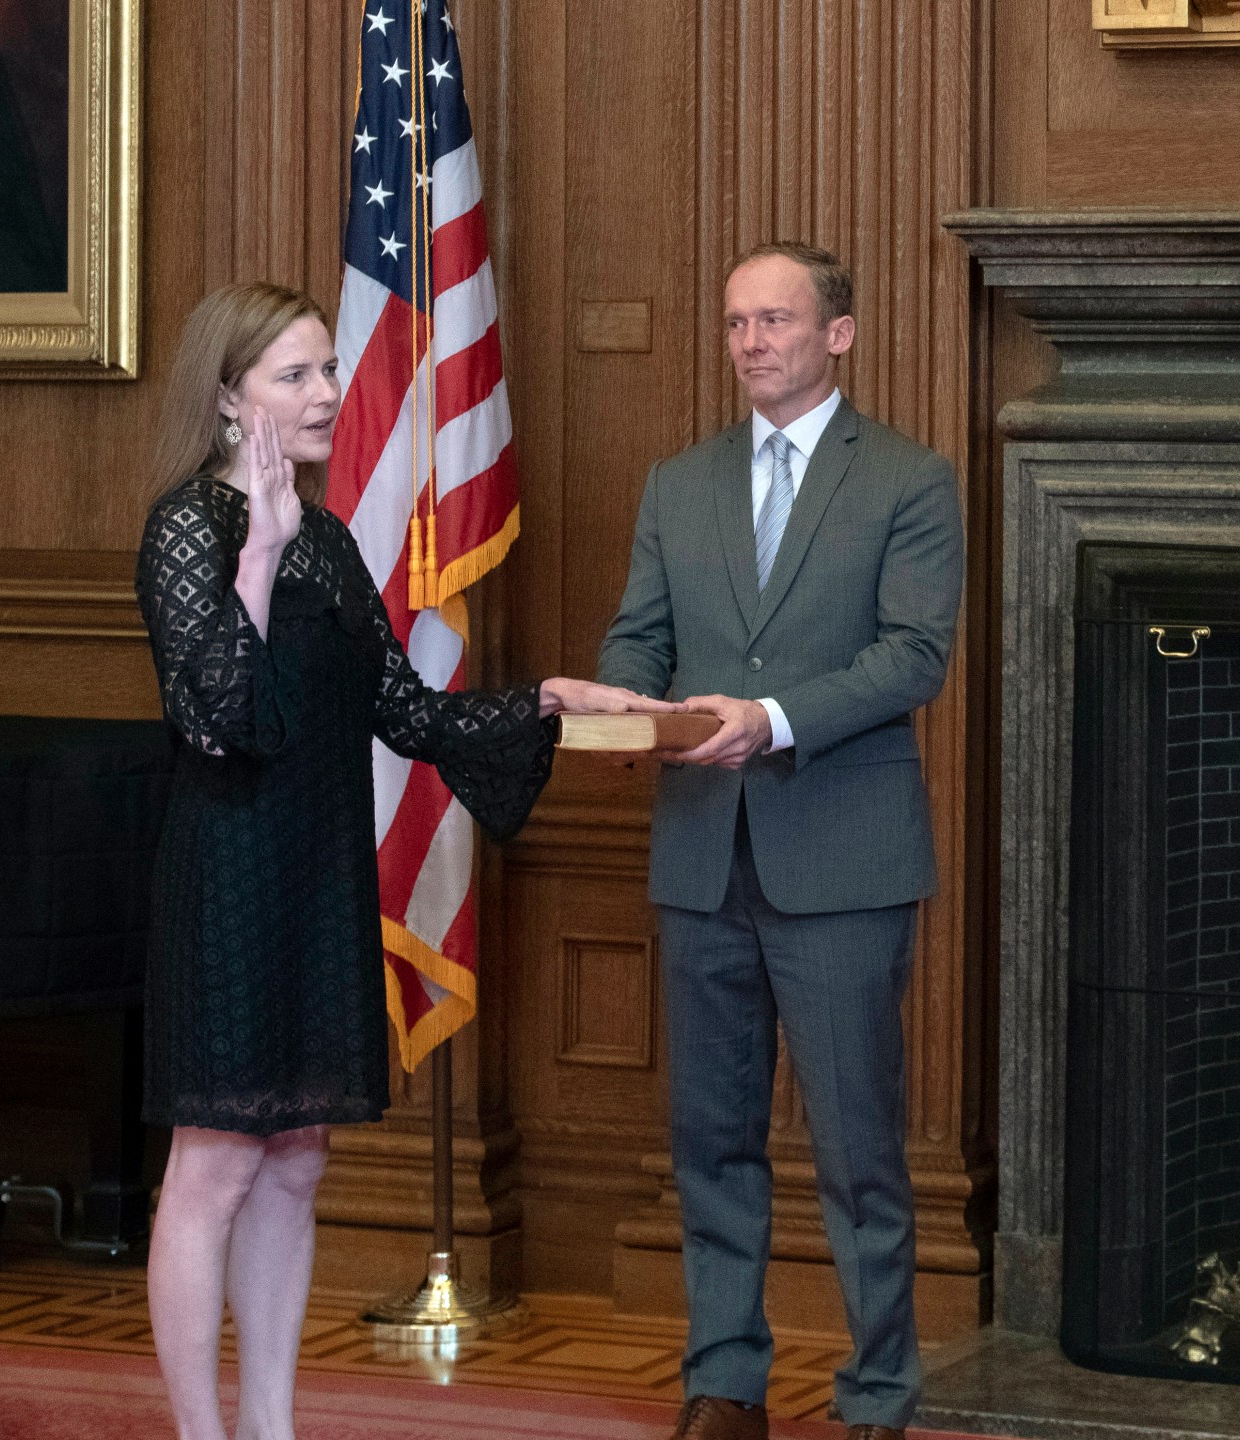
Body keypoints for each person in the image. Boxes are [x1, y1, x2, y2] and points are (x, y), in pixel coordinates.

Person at [135, 281, 674, 1440]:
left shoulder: (329, 539)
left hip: (319, 872)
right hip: (227, 880)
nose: (329, 392)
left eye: (329, 368)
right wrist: (259, 552)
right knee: (217, 1164)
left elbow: (403, 707)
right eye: (296, 375)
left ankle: (270, 1427)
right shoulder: (188, 529)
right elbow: (223, 714)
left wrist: (541, 702)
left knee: (294, 1161)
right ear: (230, 400)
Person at [597, 242, 963, 1440]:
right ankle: (725, 1384)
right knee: (709, 1139)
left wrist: (773, 721)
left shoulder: (909, 479)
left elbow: (913, 656)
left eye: (777, 321)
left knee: (860, 1152)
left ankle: (877, 1396)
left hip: (843, 862)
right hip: (703, 856)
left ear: (838, 336)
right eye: (737, 322)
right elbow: (637, 642)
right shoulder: (678, 483)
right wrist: (618, 702)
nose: (752, 342)